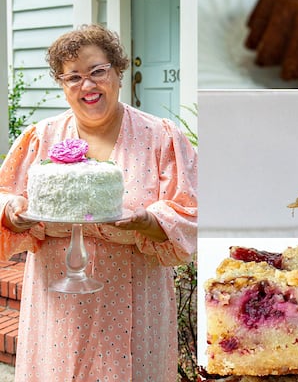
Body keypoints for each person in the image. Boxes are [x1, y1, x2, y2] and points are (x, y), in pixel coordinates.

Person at [0, 24, 197, 381]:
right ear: (62, 85)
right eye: (73, 77)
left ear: (118, 72)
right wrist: (13, 213)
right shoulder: (41, 137)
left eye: (97, 71)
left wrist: (146, 220)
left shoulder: (161, 137)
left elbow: (189, 212)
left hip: (135, 295)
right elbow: (5, 197)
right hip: (56, 301)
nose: (87, 85)